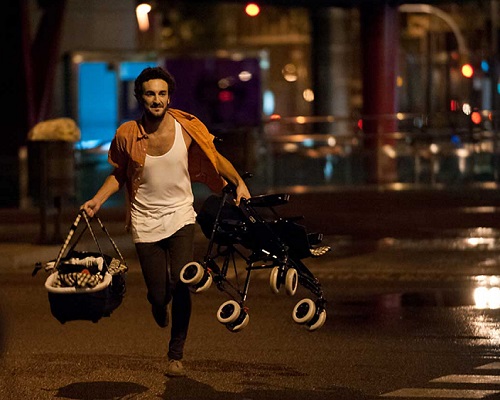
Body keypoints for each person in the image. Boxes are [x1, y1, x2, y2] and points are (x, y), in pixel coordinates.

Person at [81, 66, 251, 377]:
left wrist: (238, 181)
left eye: (161, 93)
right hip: (145, 221)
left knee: (182, 282)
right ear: (140, 98)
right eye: (150, 94)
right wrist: (97, 200)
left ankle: (176, 354)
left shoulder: (187, 127)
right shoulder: (126, 134)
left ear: (169, 96)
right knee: (160, 293)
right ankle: (157, 304)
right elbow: (118, 174)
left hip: (181, 216)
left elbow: (214, 157)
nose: (156, 99)